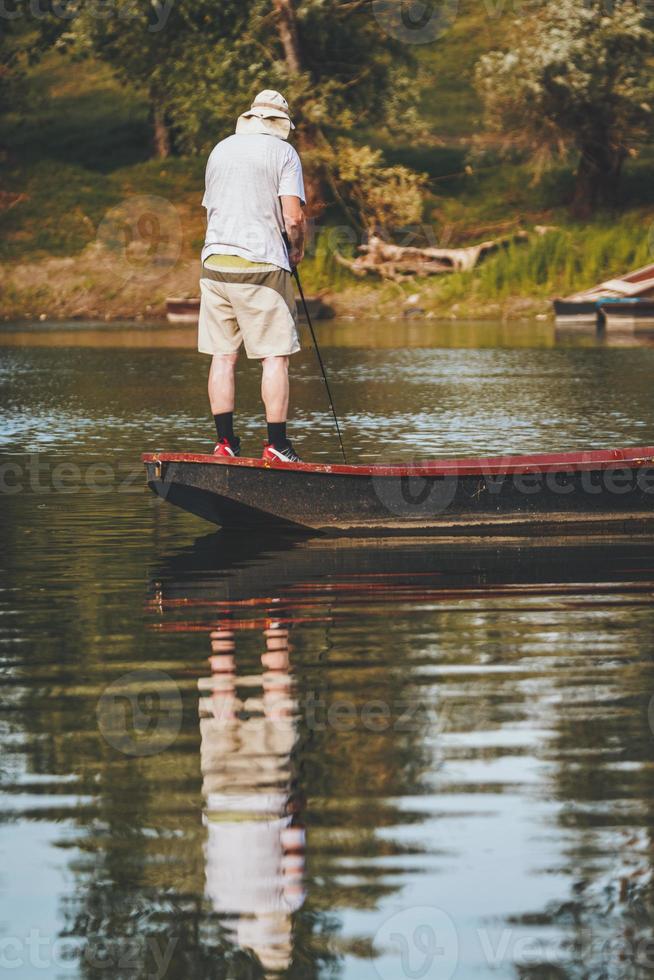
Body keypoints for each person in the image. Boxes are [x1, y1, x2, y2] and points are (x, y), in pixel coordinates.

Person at [199, 89, 306, 463]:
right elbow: (292, 218)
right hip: (261, 266)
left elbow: (210, 208)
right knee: (275, 357)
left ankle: (224, 443)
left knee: (223, 355)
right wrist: (296, 249)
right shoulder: (284, 153)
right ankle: (277, 444)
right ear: (281, 124)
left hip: (214, 264)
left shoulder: (220, 149)